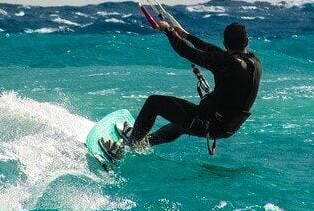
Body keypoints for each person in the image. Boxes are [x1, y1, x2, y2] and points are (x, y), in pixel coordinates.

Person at [100, 21, 262, 158]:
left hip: (209, 123)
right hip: (227, 127)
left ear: (225, 44)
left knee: (154, 102)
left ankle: (129, 147)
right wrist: (186, 35)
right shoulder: (254, 62)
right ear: (246, 41)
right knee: (180, 124)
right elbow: (214, 51)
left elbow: (187, 52)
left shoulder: (226, 63)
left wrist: (168, 31)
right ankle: (145, 142)